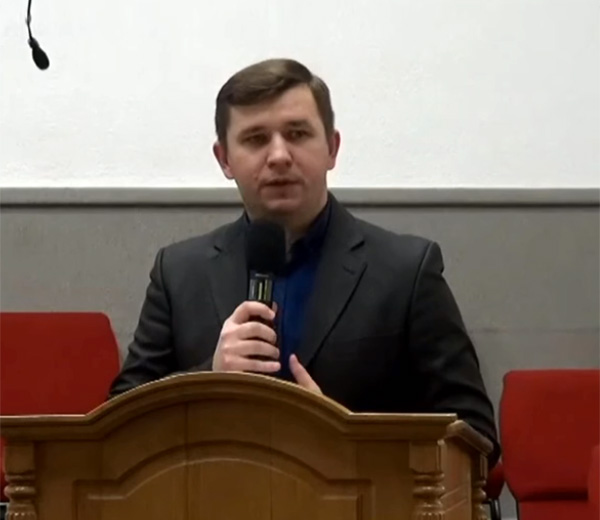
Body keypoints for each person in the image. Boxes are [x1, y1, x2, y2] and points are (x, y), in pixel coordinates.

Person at [108, 58, 500, 465]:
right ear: (224, 159)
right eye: (256, 139)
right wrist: (209, 377)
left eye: (297, 134)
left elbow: (475, 439)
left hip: (361, 504)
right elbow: (117, 426)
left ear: (332, 148)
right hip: (211, 499)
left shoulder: (407, 271)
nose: (279, 155)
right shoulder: (177, 272)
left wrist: (346, 437)